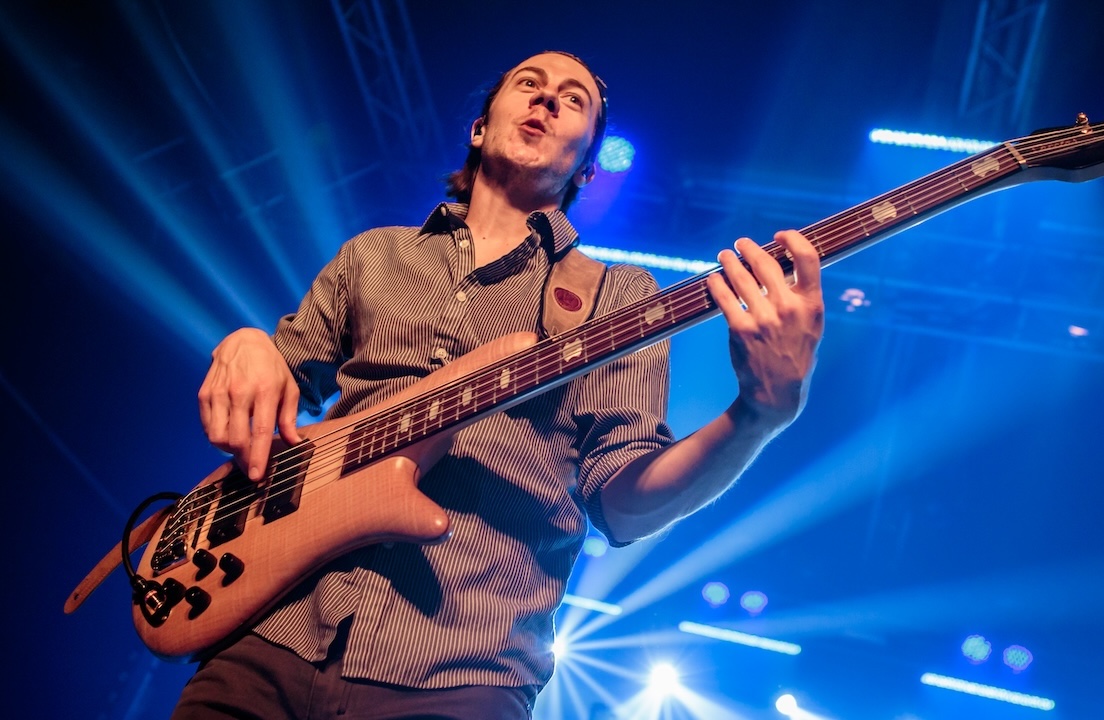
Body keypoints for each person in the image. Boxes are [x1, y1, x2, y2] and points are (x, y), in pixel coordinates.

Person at [173, 50, 824, 719]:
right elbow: (275, 386)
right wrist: (248, 345)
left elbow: (625, 507)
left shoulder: (616, 298)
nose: (546, 100)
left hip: (457, 673)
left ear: (587, 165)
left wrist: (756, 416)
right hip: (269, 633)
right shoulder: (373, 255)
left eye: (573, 100)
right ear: (480, 128)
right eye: (529, 85)